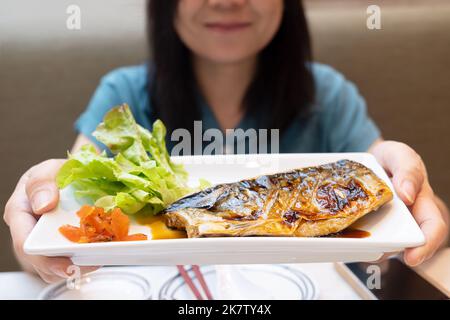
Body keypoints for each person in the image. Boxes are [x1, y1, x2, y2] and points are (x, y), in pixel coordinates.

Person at [3, 0, 448, 283]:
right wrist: (40, 229)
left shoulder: (326, 95)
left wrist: (415, 195)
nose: (226, 1)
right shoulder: (123, 95)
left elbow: (404, 218)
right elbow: (62, 226)